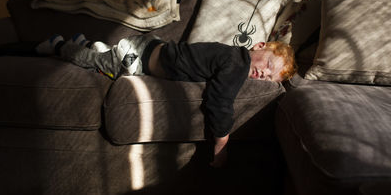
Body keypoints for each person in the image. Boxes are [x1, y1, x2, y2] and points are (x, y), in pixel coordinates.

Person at [36, 33, 297, 167]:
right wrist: (222, 144)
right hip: (137, 59)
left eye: (268, 78)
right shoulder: (237, 64)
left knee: (107, 59)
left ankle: (92, 44)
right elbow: (219, 102)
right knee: (100, 66)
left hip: (151, 47)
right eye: (269, 64)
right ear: (260, 45)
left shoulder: (230, 55)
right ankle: (60, 45)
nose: (263, 73)